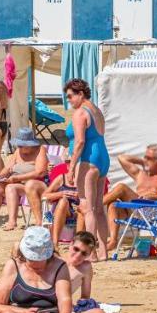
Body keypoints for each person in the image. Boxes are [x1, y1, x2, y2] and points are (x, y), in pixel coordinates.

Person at [0, 226, 91, 313]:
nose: (37, 263)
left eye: (41, 259)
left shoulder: (59, 266)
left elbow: (65, 302)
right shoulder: (14, 265)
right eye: (32, 259)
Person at [64, 78, 109, 260]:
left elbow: (80, 141)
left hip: (88, 159)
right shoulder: (96, 110)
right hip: (102, 158)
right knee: (98, 208)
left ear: (80, 94)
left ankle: (90, 254)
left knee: (87, 208)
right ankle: (103, 250)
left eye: (70, 97)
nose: (69, 101)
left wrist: (71, 167)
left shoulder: (80, 113)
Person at [0, 128, 49, 231]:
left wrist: (17, 178)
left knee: (10, 187)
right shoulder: (18, 152)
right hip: (17, 181)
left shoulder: (40, 151)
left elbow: (40, 172)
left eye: (22, 145)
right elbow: (7, 168)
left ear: (31, 144)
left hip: (35, 184)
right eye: (19, 145)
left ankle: (13, 221)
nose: (20, 147)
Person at [103, 143, 157, 251]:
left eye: (148, 158)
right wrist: (141, 161)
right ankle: (113, 241)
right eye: (144, 157)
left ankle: (93, 206)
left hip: (151, 213)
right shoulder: (141, 174)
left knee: (121, 187)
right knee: (113, 204)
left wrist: (153, 195)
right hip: (134, 211)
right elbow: (121, 158)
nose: (145, 160)